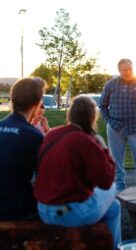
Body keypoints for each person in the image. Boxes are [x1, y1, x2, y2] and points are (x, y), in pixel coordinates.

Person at [34, 95, 121, 249]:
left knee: (113, 207)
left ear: (70, 115)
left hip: (43, 209)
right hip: (67, 215)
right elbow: (106, 181)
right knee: (113, 189)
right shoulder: (84, 140)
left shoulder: (53, 134)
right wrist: (105, 150)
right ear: (92, 118)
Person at [99, 58, 136, 192]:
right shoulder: (110, 85)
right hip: (115, 128)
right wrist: (109, 121)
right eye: (125, 70)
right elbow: (102, 105)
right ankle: (119, 189)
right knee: (116, 161)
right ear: (119, 70)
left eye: (130, 69)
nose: (128, 72)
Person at [0, 77, 46, 220]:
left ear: (12, 100)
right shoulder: (34, 136)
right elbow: (43, 180)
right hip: (16, 210)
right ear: (37, 104)